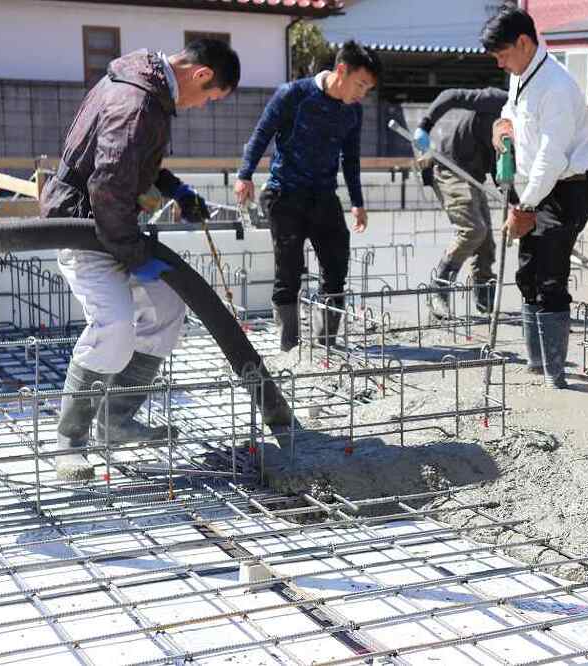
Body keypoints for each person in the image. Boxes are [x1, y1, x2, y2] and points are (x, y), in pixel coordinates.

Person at [40, 39, 241, 480]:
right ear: (202, 74)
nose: (203, 106)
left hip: (110, 228)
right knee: (113, 326)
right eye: (210, 98)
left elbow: (133, 162)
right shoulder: (137, 102)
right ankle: (69, 442)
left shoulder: (146, 90)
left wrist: (176, 190)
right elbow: (109, 187)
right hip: (83, 228)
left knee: (167, 310)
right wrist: (135, 257)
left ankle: (115, 422)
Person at [234, 40, 382, 352]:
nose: (362, 93)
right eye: (361, 84)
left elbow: (351, 159)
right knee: (288, 269)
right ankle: (289, 343)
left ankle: (327, 342)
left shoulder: (353, 112)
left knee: (336, 266)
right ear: (341, 70)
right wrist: (245, 174)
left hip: (324, 195)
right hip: (285, 193)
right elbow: (262, 133)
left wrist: (357, 202)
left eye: (368, 88)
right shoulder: (294, 94)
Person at [482, 7, 588, 389]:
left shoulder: (557, 87)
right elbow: (510, 111)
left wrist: (524, 208)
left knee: (549, 276)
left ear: (524, 43)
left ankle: (555, 374)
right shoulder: (522, 76)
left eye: (502, 54)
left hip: (564, 190)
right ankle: (536, 360)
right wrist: (502, 128)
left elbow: (551, 159)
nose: (500, 64)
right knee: (526, 273)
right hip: (533, 190)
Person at [412, 87, 508, 318]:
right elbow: (451, 96)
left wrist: (511, 201)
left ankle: (483, 294)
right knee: (473, 230)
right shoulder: (497, 101)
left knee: (486, 242)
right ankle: (438, 287)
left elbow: (499, 164)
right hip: (449, 166)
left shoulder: (526, 124)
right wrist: (425, 126)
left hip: (474, 175)